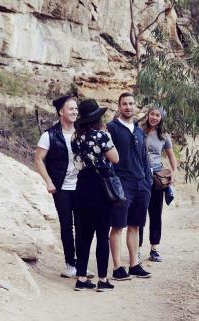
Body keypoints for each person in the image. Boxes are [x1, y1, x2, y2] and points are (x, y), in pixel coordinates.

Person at [35, 95, 89, 279]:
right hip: (62, 187)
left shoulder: (82, 132)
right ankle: (70, 264)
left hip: (82, 186)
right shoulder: (49, 135)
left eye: (76, 109)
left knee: (82, 225)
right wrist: (49, 181)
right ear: (61, 112)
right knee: (67, 225)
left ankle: (82, 265)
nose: (75, 112)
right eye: (71, 109)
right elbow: (38, 159)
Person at [72, 99, 119, 291]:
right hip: (101, 189)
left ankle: (81, 279)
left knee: (84, 236)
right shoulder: (102, 136)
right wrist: (108, 138)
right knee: (102, 236)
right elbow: (115, 158)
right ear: (97, 118)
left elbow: (76, 163)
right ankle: (102, 279)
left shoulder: (75, 137)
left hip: (82, 187)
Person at [107, 92, 153, 280]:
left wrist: (147, 182)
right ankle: (118, 267)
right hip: (122, 183)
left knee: (135, 226)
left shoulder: (140, 130)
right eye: (124, 104)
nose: (128, 107)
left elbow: (144, 157)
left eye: (131, 104)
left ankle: (134, 264)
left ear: (135, 106)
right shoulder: (112, 128)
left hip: (141, 184)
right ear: (119, 107)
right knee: (118, 226)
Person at [138, 106, 177, 262]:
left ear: (161, 118)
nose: (154, 117)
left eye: (157, 115)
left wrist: (174, 172)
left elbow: (171, 156)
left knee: (155, 214)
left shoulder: (163, 136)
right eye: (152, 114)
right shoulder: (139, 131)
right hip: (140, 176)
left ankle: (154, 249)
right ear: (148, 115)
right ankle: (137, 248)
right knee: (139, 214)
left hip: (157, 178)